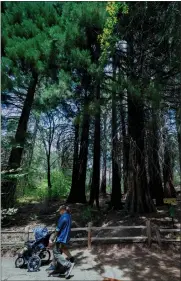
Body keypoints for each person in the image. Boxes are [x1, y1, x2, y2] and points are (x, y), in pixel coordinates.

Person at [46, 205, 74, 278]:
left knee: (56, 252)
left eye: (60, 211)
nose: (59, 212)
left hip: (61, 238)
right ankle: (59, 269)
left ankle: (67, 264)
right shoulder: (69, 216)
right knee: (60, 252)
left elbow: (58, 229)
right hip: (66, 237)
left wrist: (52, 238)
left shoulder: (63, 217)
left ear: (63, 210)